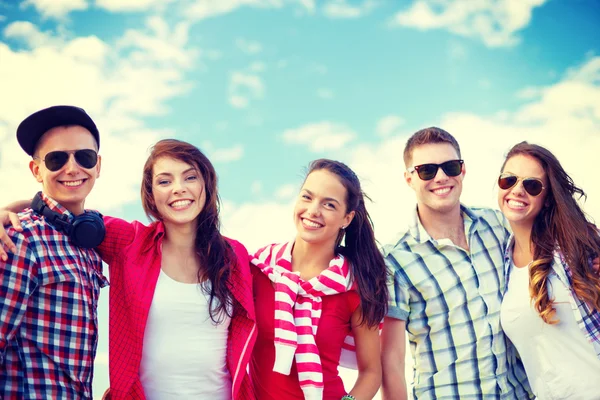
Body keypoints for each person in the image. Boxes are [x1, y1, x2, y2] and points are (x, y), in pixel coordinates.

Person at [0, 139, 256, 399]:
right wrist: (15, 209)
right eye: (164, 181)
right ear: (151, 194)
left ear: (206, 185)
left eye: (190, 177)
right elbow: (69, 216)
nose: (178, 189)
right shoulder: (129, 242)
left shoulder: (235, 257)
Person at [380, 127, 532, 399]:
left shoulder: (499, 226)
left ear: (462, 171)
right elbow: (390, 362)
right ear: (409, 179)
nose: (441, 177)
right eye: (427, 170)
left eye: (450, 166)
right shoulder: (395, 261)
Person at [250, 158, 388, 400]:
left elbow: (371, 372)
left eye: (329, 205)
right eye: (307, 197)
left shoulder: (355, 286)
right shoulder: (259, 268)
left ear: (347, 218)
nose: (313, 210)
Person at [0, 105, 108, 398]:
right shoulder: (22, 238)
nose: (72, 168)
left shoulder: (90, 242)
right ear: (37, 170)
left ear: (97, 165)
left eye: (83, 157)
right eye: (56, 158)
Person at [497, 142, 600, 399]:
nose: (517, 190)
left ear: (546, 198)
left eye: (532, 185)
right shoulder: (503, 263)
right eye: (509, 180)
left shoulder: (574, 245)